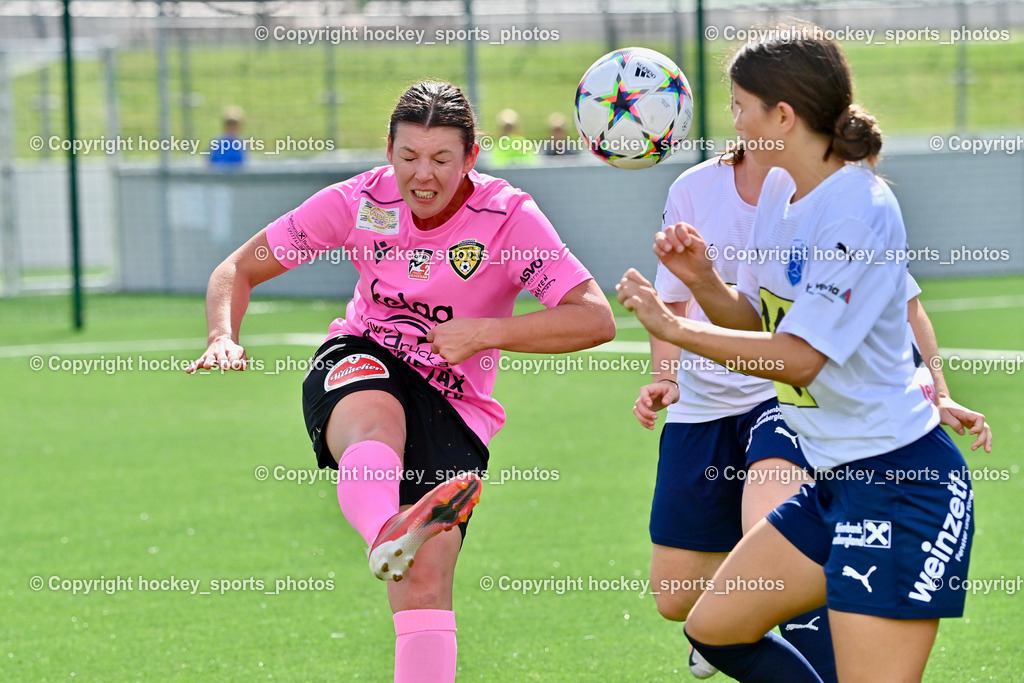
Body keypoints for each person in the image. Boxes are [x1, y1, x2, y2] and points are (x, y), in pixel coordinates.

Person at [187, 81, 615, 682]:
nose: (423, 174)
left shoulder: (508, 218)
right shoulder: (360, 200)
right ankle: (387, 527)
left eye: (442, 159)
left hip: (454, 398)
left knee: (425, 585)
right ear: (388, 148)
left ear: (471, 157)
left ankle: (396, 534)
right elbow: (238, 268)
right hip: (363, 356)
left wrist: (485, 333)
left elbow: (594, 318)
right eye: (409, 156)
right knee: (376, 418)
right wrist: (222, 337)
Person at [618, 26, 986, 681]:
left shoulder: (858, 207)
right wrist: (703, 284)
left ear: (781, 115)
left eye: (738, 104)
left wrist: (675, 331)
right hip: (835, 482)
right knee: (714, 628)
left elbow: (796, 359)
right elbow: (760, 319)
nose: (729, 118)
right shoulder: (785, 196)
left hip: (901, 487)